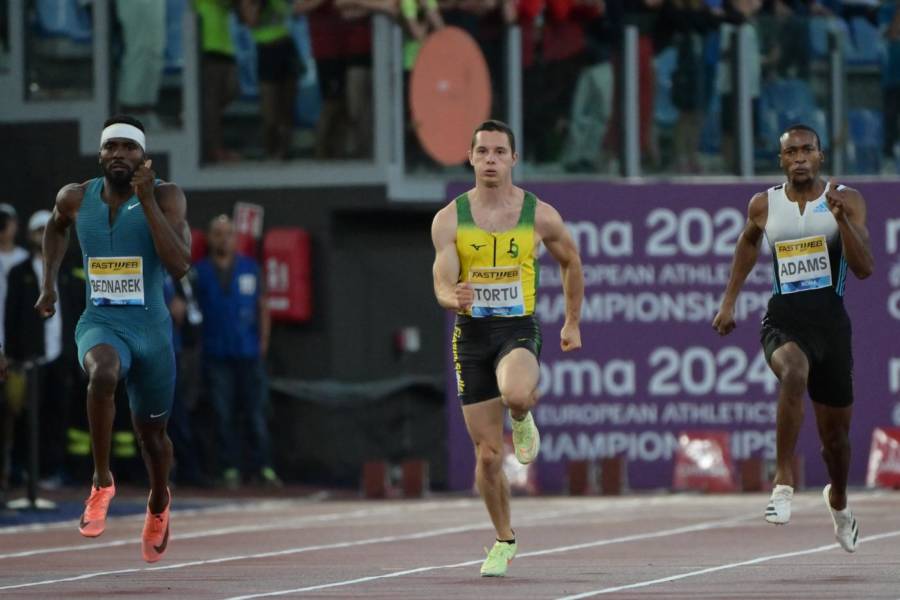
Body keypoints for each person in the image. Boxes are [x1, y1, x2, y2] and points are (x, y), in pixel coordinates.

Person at [430, 119, 583, 577]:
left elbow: (571, 261)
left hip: (517, 328)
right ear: (471, 159)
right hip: (471, 336)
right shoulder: (449, 219)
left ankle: (520, 414)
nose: (491, 160)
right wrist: (451, 297)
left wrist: (572, 321)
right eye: (483, 152)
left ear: (514, 158)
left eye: (500, 152)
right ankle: (504, 539)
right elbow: (442, 280)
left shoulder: (540, 215)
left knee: (516, 392)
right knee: (488, 457)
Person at [36, 115, 191, 563]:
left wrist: (147, 201)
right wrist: (49, 283)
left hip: (151, 331)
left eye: (129, 147)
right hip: (100, 321)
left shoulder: (166, 195)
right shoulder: (74, 197)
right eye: (111, 147)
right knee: (102, 373)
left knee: (153, 439)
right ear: (100, 154)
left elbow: (179, 265)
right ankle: (101, 480)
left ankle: (158, 501)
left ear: (144, 156)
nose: (119, 154)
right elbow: (56, 227)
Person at [713, 124, 874, 553]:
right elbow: (747, 243)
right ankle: (783, 481)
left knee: (836, 444)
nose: (800, 158)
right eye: (792, 152)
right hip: (783, 321)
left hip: (831, 329)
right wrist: (728, 302)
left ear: (820, 156)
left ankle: (838, 500)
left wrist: (841, 221)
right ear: (781, 159)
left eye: (807, 150)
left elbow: (864, 268)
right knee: (793, 373)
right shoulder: (764, 204)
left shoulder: (847, 199)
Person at [194, 215, 280, 489]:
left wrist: (263, 342)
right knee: (222, 414)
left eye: (228, 233)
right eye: (218, 233)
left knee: (256, 413)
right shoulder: (199, 272)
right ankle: (228, 468)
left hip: (248, 352)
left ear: (236, 238)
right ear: (209, 238)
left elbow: (262, 306)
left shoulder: (250, 268)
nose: (224, 239)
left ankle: (263, 467)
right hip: (216, 353)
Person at [4, 211, 80, 488]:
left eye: (50, 231)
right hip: (31, 356)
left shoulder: (69, 271)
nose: (44, 236)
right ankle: (24, 469)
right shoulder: (20, 272)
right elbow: (11, 316)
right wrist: (13, 354)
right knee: (26, 414)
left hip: (61, 354)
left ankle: (51, 469)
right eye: (39, 231)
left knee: (57, 412)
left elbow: (76, 311)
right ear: (30, 235)